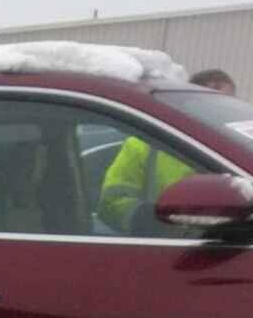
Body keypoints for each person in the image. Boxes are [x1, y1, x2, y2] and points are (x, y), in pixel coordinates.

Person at [97, 69, 236, 231]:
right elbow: (111, 203)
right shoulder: (144, 145)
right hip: (162, 250)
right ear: (188, 105)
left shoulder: (239, 153)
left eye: (227, 104)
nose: (220, 113)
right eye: (213, 106)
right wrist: (152, 220)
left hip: (223, 248)